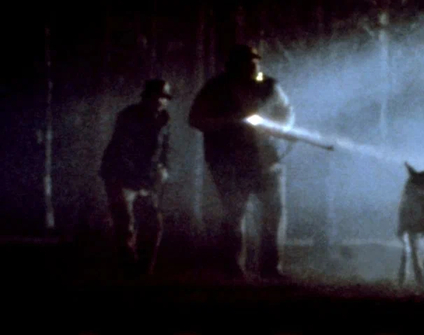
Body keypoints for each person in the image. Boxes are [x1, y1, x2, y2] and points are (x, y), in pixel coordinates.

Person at [189, 44, 294, 281]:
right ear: (234, 65)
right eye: (247, 62)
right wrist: (231, 121)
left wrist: (280, 128)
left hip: (266, 159)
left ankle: (271, 268)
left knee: (274, 212)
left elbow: (286, 111)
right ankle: (234, 267)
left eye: (255, 61)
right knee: (234, 213)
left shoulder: (269, 85)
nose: (253, 66)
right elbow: (195, 119)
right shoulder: (216, 87)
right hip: (229, 161)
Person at [99, 79, 172, 278]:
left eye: (165, 97)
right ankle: (128, 272)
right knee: (125, 223)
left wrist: (163, 168)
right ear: (147, 97)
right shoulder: (130, 116)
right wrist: (140, 178)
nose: (161, 101)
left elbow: (163, 149)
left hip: (145, 178)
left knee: (153, 223)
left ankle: (144, 271)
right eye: (157, 96)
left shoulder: (164, 119)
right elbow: (123, 150)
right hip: (120, 176)